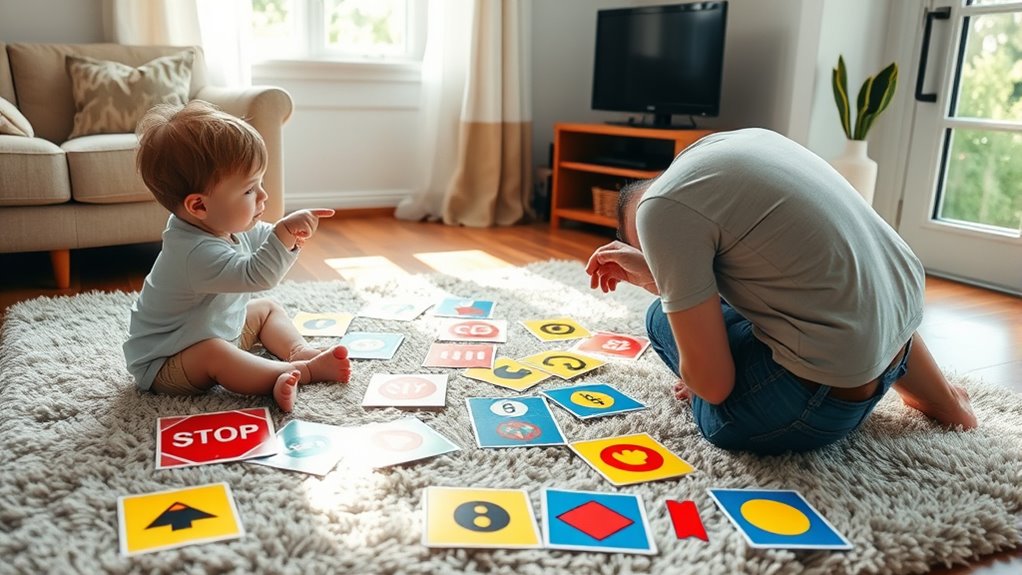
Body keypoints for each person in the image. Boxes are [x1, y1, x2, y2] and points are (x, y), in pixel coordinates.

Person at [586, 128, 977, 455]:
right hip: (898, 342)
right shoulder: (732, 144)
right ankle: (946, 402)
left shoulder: (659, 213)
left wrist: (697, 361)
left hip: (822, 403)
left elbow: (713, 384)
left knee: (660, 319)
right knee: (836, 292)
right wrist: (660, 274)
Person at [123, 100, 350, 413]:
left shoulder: (218, 223)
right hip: (168, 361)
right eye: (248, 190)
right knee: (214, 353)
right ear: (199, 206)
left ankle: (298, 351)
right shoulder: (193, 254)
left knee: (266, 310)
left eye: (260, 183)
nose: (263, 196)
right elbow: (258, 275)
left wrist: (287, 236)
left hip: (213, 330)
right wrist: (283, 235)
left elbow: (264, 240)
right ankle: (300, 373)